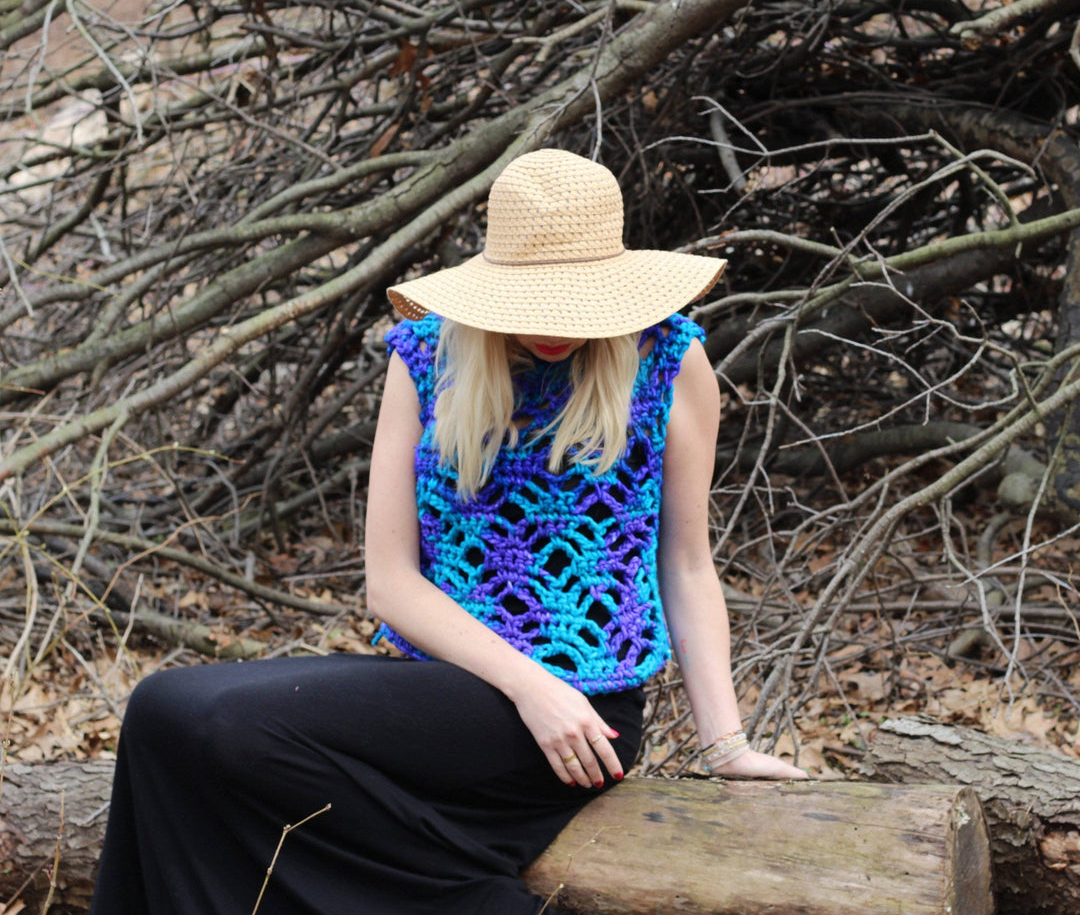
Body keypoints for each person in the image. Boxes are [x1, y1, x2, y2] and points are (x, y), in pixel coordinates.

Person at [88, 148, 806, 915]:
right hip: (452, 690)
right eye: (534, 303)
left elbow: (687, 564)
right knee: (163, 708)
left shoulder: (668, 359)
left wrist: (725, 744)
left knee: (218, 725)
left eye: (574, 303)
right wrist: (530, 686)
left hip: (584, 720)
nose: (555, 328)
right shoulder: (427, 354)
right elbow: (390, 581)